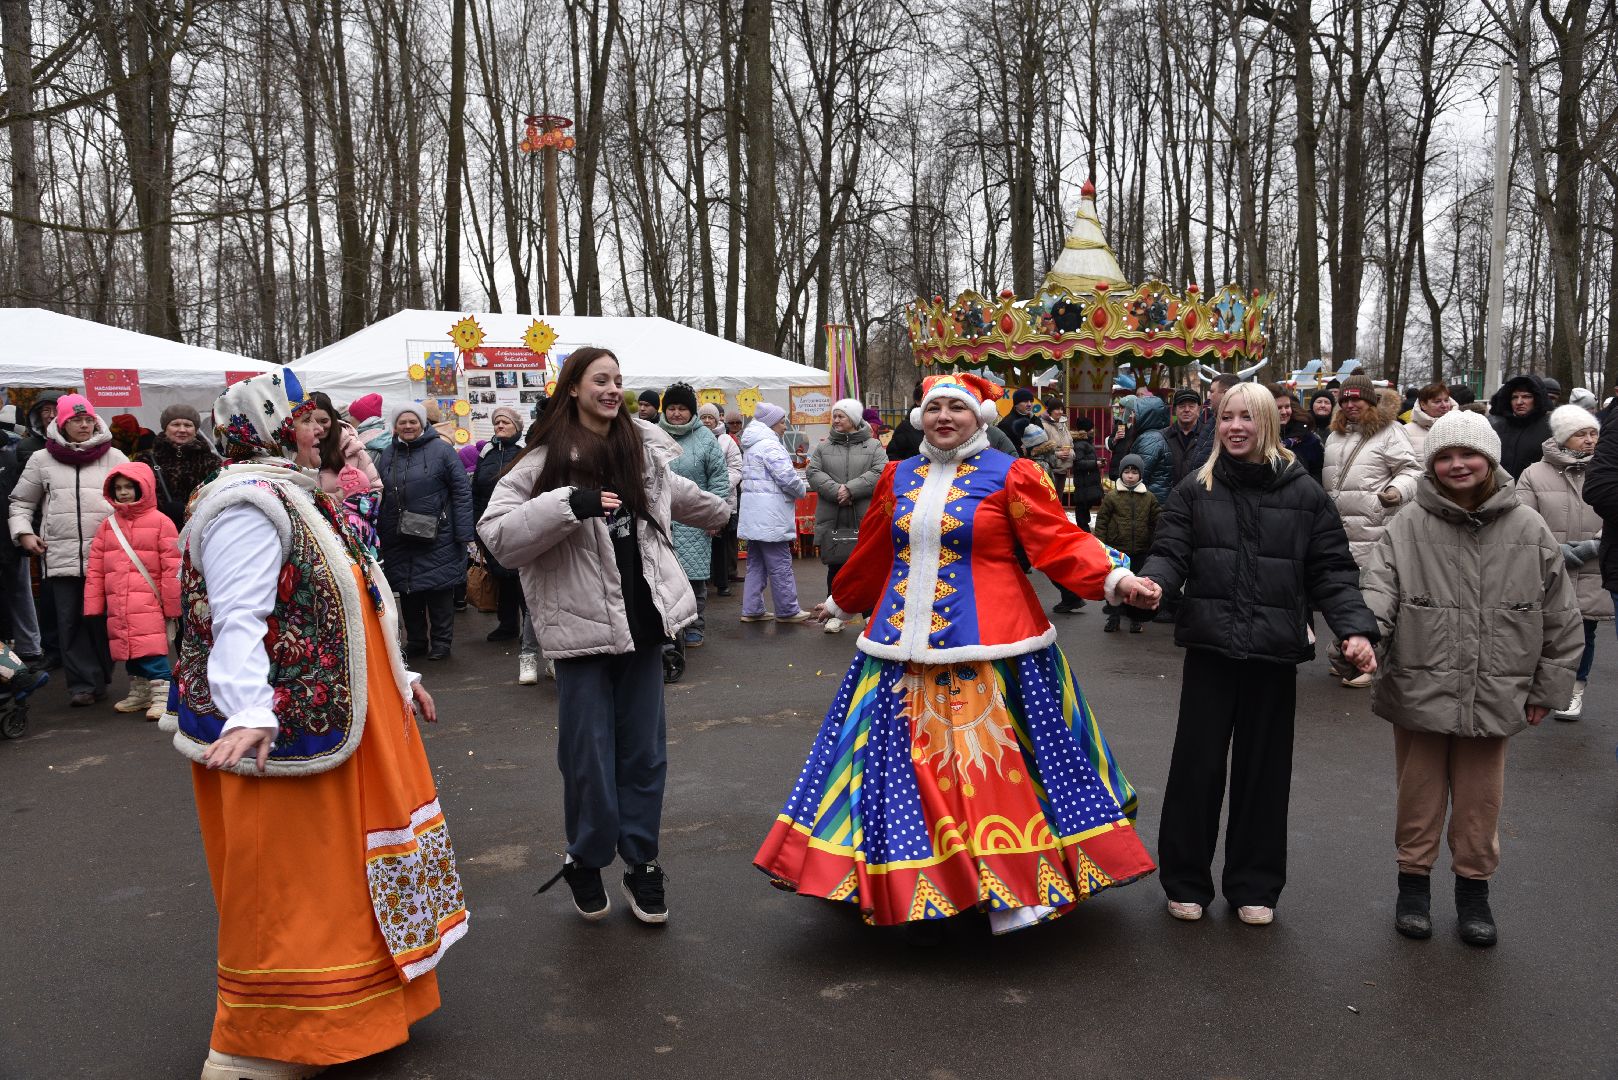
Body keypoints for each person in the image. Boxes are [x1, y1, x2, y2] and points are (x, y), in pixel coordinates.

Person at [756, 372, 1159, 935]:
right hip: (899, 646)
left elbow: (1057, 539)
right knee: (901, 774)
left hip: (993, 646)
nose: (944, 417)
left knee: (989, 773)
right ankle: (914, 884)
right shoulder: (897, 475)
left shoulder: (1011, 473)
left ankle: (1007, 885)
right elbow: (877, 551)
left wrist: (1116, 578)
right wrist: (841, 601)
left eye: (957, 408)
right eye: (934, 408)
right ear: (920, 418)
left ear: (979, 418)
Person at [168, 368, 465, 1078]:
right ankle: (260, 1042)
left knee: (347, 874)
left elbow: (358, 599)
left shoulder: (294, 493)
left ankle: (361, 1013)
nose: (319, 429)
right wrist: (249, 708)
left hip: (347, 718)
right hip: (284, 729)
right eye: (302, 420)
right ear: (265, 429)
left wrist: (402, 676)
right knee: (290, 883)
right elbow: (237, 617)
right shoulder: (245, 503)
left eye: (317, 419)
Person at [479, 347, 728, 924]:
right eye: (601, 379)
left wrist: (722, 510)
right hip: (580, 631)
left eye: (618, 380)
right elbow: (498, 535)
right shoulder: (542, 460)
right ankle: (586, 859)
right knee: (588, 758)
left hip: (644, 623)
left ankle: (641, 861)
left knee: (644, 756)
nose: (613, 389)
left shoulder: (641, 450)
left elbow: (676, 496)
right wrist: (568, 504)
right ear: (573, 388)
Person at [1140, 383, 1379, 927]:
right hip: (1210, 650)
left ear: (1268, 423)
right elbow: (1170, 552)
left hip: (1274, 654)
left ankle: (1255, 884)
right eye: (1227, 417)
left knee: (1264, 774)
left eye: (1247, 417)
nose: (1235, 426)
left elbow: (1332, 571)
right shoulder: (1194, 489)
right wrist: (1153, 585)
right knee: (1196, 770)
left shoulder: (1305, 494)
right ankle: (1186, 881)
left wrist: (1354, 630)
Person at [1359, 410, 1579, 946]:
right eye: (1446, 456)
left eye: (1469, 454)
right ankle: (1413, 886)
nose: (1458, 464)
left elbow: (1560, 614)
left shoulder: (1528, 527)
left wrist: (1547, 688)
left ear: (1490, 459)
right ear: (1431, 463)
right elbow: (1378, 593)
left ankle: (1474, 892)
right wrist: (1360, 641)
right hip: (1420, 685)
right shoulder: (1407, 524)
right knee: (1418, 796)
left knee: (1481, 802)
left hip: (1496, 689)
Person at [7, 393, 126, 706]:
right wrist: (24, 533)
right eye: (76, 420)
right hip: (60, 555)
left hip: (106, 556)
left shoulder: (115, 457)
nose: (84, 425)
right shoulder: (41, 459)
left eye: (88, 419)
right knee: (69, 621)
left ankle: (100, 674)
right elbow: (21, 502)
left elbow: (137, 499)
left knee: (101, 621)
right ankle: (82, 685)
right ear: (61, 423)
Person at [1322, 374, 1420, 686]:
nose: (1350, 404)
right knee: (1345, 593)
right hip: (1339, 529)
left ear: (1370, 400)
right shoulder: (1334, 435)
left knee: (1372, 596)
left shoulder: (1390, 431)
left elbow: (1412, 470)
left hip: (1375, 526)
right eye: (1345, 399)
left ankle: (1366, 662)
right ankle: (1347, 652)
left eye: (1357, 399)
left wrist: (1395, 492)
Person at [1517, 405, 1608, 720]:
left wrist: (1598, 542)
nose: (1589, 440)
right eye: (1580, 434)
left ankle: (1575, 689)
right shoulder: (1533, 474)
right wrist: (1553, 550)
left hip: (1595, 564)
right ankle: (1536, 687)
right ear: (1562, 437)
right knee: (1541, 630)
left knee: (1585, 631)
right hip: (1548, 566)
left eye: (1593, 433)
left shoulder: (1608, 468)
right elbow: (1522, 519)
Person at [376, 402, 474, 660]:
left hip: (439, 534)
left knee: (439, 589)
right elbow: (380, 492)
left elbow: (462, 491)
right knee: (408, 590)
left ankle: (441, 643)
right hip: (399, 535)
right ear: (395, 426)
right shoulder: (388, 454)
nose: (408, 426)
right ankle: (417, 641)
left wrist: (464, 532)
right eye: (402, 422)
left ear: (422, 424)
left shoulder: (442, 451)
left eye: (413, 421)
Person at [83, 462, 180, 720]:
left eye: (129, 487)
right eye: (118, 488)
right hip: (118, 602)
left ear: (143, 488)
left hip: (148, 601)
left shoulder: (161, 522)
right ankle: (141, 691)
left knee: (151, 650)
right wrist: (93, 604)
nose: (123, 492)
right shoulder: (108, 526)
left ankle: (164, 695)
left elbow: (172, 567)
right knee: (128, 649)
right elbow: (96, 568)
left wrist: (172, 605)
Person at [658, 383, 730, 648]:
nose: (676, 413)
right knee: (663, 580)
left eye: (682, 408)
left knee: (695, 579)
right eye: (672, 408)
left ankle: (695, 626)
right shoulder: (654, 434)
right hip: (661, 519)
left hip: (696, 520)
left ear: (692, 411)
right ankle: (668, 629)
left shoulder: (705, 438)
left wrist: (714, 516)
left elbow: (719, 478)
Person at [806, 397, 884, 634]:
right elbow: (813, 472)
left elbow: (881, 471)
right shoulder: (824, 447)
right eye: (835, 416)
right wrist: (836, 490)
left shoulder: (873, 446)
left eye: (841, 416)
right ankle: (835, 614)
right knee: (836, 566)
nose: (836, 420)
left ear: (853, 419)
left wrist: (851, 489)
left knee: (866, 566)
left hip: (865, 516)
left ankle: (870, 614)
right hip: (834, 515)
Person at [737, 402, 811, 623]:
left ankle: (752, 609)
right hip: (771, 516)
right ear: (770, 423)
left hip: (754, 514)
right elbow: (787, 477)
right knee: (780, 564)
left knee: (756, 564)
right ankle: (788, 610)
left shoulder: (752, 445)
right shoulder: (770, 445)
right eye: (781, 422)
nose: (784, 426)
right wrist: (801, 490)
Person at [472, 406, 527, 646]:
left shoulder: (526, 451)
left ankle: (531, 628)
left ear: (517, 427)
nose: (500, 426)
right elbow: (475, 491)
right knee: (501, 576)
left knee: (523, 577)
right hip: (491, 524)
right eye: (497, 423)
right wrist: (475, 525)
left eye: (505, 422)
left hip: (518, 522)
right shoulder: (486, 453)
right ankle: (507, 625)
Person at [1095, 454, 1159, 633]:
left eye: (1134, 472)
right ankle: (1113, 617)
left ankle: (1136, 619)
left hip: (1140, 550)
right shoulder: (1112, 497)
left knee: (1137, 585)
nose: (1130, 476)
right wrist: (1100, 545)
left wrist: (1154, 542)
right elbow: (1102, 522)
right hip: (1117, 551)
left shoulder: (1149, 497)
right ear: (1121, 473)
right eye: (1127, 472)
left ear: (1141, 475)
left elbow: (1157, 521)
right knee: (1115, 585)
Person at [140, 403, 220, 529]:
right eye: (176, 424)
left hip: (199, 528)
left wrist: (190, 510)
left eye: (188, 425)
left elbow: (217, 498)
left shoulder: (211, 462)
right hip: (156, 528)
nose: (182, 430)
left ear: (195, 430)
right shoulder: (146, 460)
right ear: (165, 428)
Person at [700, 403, 742, 597]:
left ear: (717, 420)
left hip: (723, 498)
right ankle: (702, 580)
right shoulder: (695, 437)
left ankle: (722, 582)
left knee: (720, 542)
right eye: (704, 417)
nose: (707, 421)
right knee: (699, 541)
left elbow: (735, 468)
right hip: (697, 497)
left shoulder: (727, 441)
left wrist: (721, 488)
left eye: (711, 417)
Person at [1487, 373, 1552, 478]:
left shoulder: (1551, 428)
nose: (1519, 402)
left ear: (1537, 398)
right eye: (1514, 397)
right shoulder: (1497, 427)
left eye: (1526, 396)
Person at [1185, 372, 1241, 473]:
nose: (1209, 397)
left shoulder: (1235, 427)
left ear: (1226, 393)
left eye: (1212, 392)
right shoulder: (1212, 420)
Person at [1126, 392, 1174, 503]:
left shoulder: (1149, 439)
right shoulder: (1155, 435)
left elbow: (1138, 476)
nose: (1131, 416)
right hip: (1156, 499)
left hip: (1149, 502)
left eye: (1134, 412)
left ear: (1145, 415)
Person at [1272, 385, 1324, 483]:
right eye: (1278, 407)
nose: (1284, 412)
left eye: (1287, 407)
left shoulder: (1307, 438)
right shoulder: (1257, 438)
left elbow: (1317, 472)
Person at [1403, 381, 1454, 458]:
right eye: (1437, 402)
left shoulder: (1461, 427)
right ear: (1423, 405)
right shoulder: (1405, 432)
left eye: (1446, 400)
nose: (1444, 405)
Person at [1166, 388, 1203, 487]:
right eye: (1182, 406)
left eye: (1191, 406)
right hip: (1171, 494)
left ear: (1199, 409)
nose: (1186, 410)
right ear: (1175, 410)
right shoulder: (1164, 437)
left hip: (1199, 493)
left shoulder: (1208, 436)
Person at [1069, 416, 1103, 516]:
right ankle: (1082, 524)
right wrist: (1095, 463)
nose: (1093, 430)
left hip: (1088, 479)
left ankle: (1084, 524)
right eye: (1091, 428)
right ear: (1086, 430)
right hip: (1083, 480)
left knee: (1086, 504)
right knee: (1082, 505)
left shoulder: (1087, 442)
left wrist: (1098, 462)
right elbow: (1078, 463)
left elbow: (1087, 459)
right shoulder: (1080, 444)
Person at [348, 392, 392, 463]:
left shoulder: (371, 448)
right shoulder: (379, 438)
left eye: (351, 415)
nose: (349, 419)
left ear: (360, 417)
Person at [885, 381, 924, 461]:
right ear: (918, 401)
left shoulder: (946, 424)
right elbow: (892, 455)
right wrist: (909, 466)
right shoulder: (905, 427)